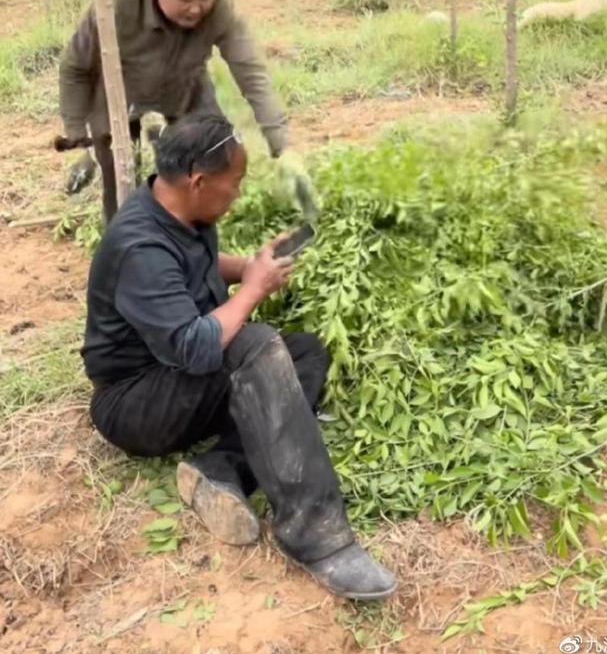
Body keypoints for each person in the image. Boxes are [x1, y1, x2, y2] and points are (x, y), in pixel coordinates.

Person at [82, 113, 397, 601]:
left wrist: (248, 267)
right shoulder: (139, 245)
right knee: (253, 343)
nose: (239, 194)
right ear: (199, 181)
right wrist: (252, 291)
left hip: (176, 379)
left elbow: (199, 266)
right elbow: (195, 347)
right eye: (235, 184)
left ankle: (221, 470)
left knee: (305, 353)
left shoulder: (184, 212)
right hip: (136, 403)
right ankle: (317, 537)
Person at [58, 0, 311, 223]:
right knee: (121, 190)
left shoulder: (221, 6)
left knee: (212, 160)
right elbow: (76, 67)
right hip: (118, 95)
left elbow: (251, 73)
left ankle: (193, 236)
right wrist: (79, 140)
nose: (196, 8)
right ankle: (130, 249)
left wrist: (283, 147)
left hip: (185, 87)